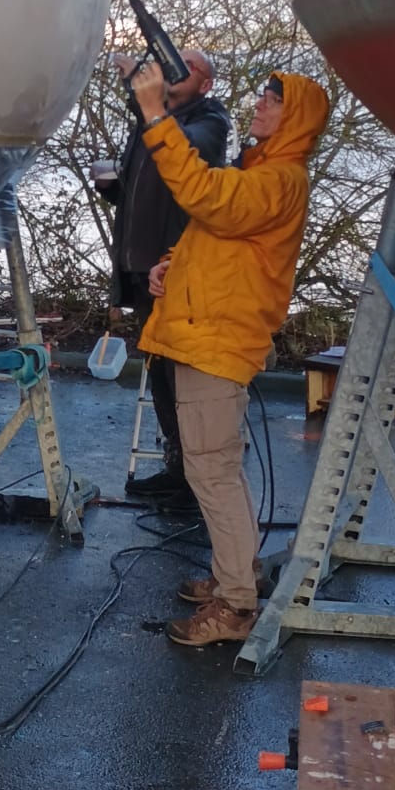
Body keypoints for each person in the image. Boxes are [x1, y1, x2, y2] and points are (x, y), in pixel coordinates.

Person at [129, 61, 331, 648]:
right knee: (216, 467)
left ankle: (237, 604)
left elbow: (205, 196)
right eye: (263, 95)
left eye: (274, 100)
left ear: (295, 119)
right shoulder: (262, 172)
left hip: (216, 342)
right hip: (208, 335)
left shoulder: (279, 180)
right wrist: (172, 266)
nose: (260, 104)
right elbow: (218, 236)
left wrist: (155, 116)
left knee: (211, 471)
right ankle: (232, 577)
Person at [95, 47, 230, 508]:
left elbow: (187, 154)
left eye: (188, 67)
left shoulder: (211, 121)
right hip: (141, 268)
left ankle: (196, 479)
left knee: (182, 378)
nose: (175, 69)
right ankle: (179, 470)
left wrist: (151, 108)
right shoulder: (149, 124)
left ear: (206, 84)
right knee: (159, 373)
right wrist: (115, 188)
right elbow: (141, 188)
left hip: (176, 271)